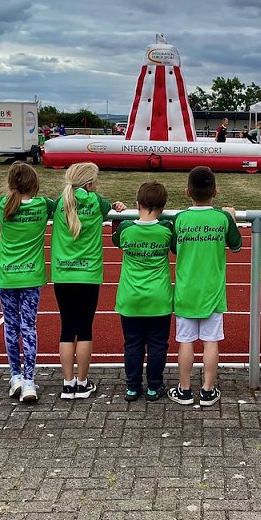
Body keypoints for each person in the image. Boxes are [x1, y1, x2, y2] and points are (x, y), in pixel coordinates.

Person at [51, 162, 127, 400]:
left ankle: (67, 383)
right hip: (88, 274)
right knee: (84, 328)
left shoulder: (59, 202)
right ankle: (82, 383)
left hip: (63, 273)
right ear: (89, 183)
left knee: (67, 328)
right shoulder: (97, 202)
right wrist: (118, 205)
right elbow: (110, 207)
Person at [169, 167, 242, 407]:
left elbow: (174, 248)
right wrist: (231, 218)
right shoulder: (222, 218)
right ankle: (208, 390)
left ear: (187, 192)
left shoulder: (180, 218)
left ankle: (185, 389)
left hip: (186, 291)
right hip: (213, 291)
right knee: (211, 341)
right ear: (215, 192)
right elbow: (236, 245)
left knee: (186, 341)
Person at [0, 162, 56, 404]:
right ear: (35, 184)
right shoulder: (43, 205)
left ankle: (15, 376)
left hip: (7, 276)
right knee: (28, 327)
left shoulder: (3, 204)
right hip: (31, 276)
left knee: (11, 327)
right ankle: (29, 380)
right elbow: (61, 204)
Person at [113, 182, 175, 402]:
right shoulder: (166, 229)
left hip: (131, 297)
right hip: (159, 297)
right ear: (163, 206)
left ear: (137, 203)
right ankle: (154, 387)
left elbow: (115, 238)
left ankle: (132, 387)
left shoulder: (126, 228)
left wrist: (118, 214)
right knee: (158, 345)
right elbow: (175, 248)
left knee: (132, 344)